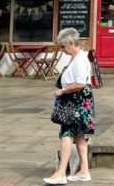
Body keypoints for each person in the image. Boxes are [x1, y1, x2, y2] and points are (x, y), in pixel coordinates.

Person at [44, 27, 94, 185]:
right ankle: (84, 171)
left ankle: (60, 172)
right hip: (77, 100)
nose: (62, 50)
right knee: (79, 135)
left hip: (76, 100)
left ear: (72, 43)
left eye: (63, 46)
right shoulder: (77, 57)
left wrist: (62, 90)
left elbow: (79, 83)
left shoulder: (79, 59)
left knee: (66, 134)